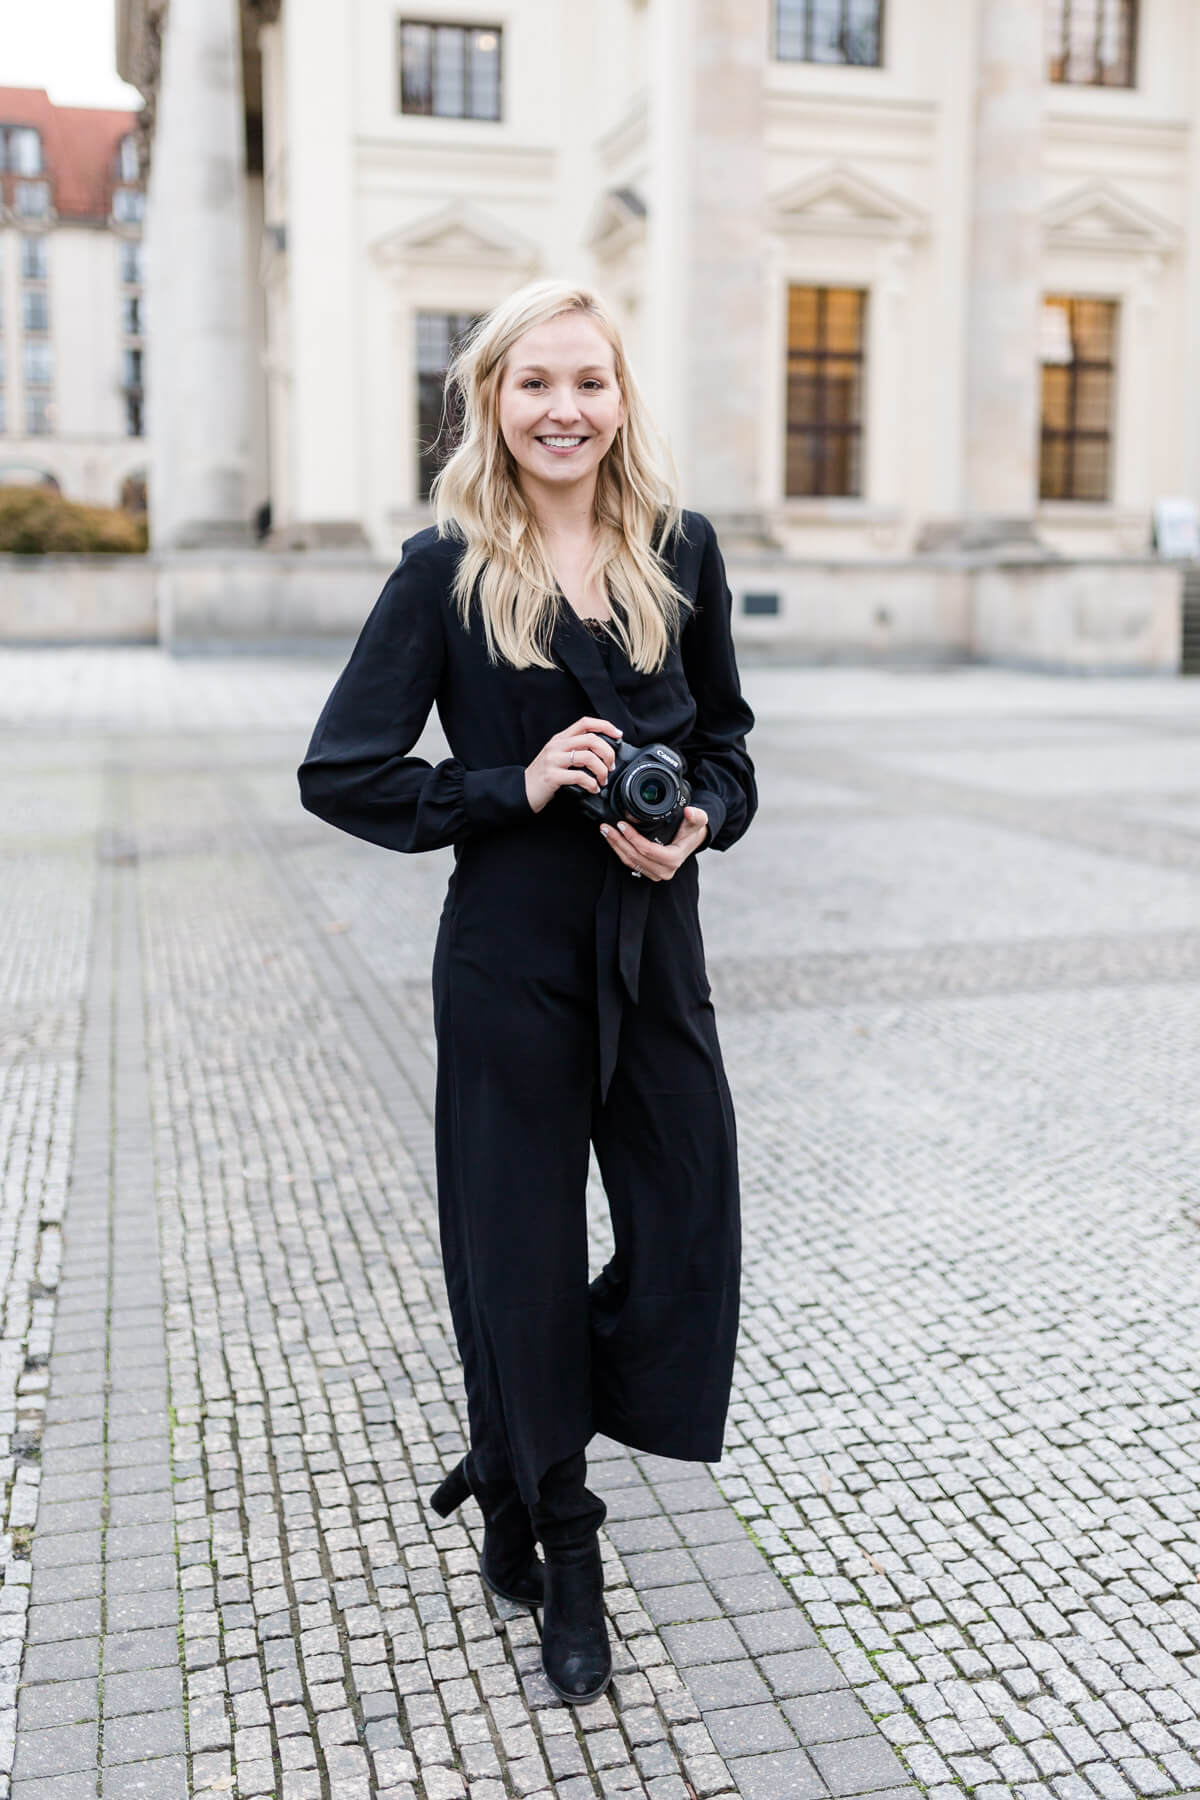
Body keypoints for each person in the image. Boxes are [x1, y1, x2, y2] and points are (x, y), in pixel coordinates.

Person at [298, 280, 756, 1704]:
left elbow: (731, 744)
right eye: (536, 383)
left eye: (591, 383)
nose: (566, 410)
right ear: (490, 399)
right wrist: (514, 783)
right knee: (520, 1260)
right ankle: (557, 1526)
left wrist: (698, 823)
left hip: (652, 951)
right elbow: (345, 772)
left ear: (624, 399)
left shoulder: (678, 551)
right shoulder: (442, 571)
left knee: (692, 1229)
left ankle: (509, 1433)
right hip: (507, 963)